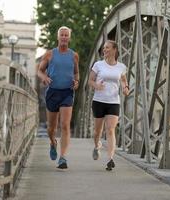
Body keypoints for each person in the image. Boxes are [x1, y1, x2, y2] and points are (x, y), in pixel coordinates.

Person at [37, 26, 79, 169]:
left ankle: (63, 157)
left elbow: (76, 73)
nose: (64, 37)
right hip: (52, 93)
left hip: (67, 92)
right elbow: (40, 71)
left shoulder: (74, 55)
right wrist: (44, 78)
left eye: (66, 35)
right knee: (51, 128)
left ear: (69, 38)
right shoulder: (49, 54)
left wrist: (77, 82)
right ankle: (52, 142)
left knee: (65, 125)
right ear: (58, 37)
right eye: (62, 35)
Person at [88, 40, 129, 171]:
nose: (104, 50)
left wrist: (125, 88)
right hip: (99, 101)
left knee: (110, 129)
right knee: (97, 132)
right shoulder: (98, 65)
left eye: (107, 47)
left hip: (113, 102)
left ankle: (110, 158)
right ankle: (96, 145)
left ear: (114, 50)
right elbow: (90, 80)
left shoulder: (121, 67)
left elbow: (123, 80)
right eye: (104, 48)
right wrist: (97, 86)